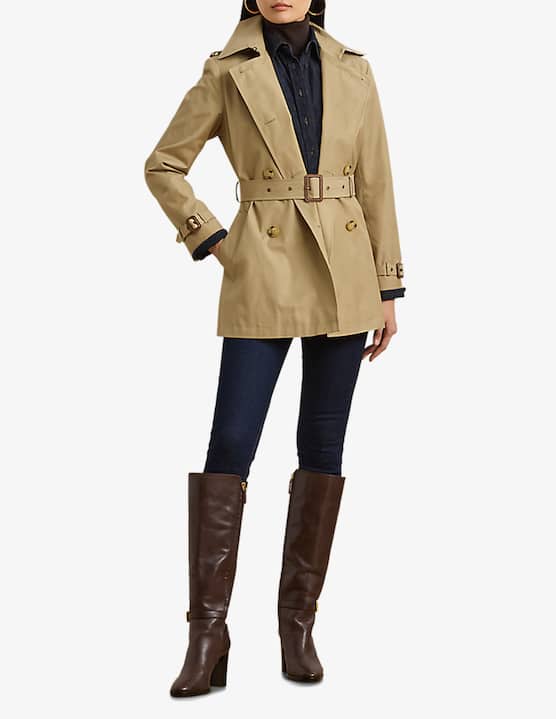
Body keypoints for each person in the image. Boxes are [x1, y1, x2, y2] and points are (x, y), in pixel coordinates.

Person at [144, 0, 406, 698]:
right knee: (231, 442)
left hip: (347, 273)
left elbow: (376, 181)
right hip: (261, 266)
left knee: (322, 444)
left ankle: (298, 625)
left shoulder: (354, 68)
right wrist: (213, 240)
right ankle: (207, 633)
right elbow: (164, 165)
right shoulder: (226, 69)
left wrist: (387, 286)